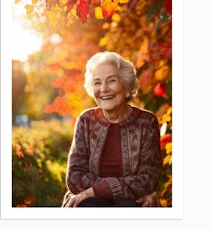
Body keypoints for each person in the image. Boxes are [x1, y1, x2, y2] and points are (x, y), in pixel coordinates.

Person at [62, 51, 162, 207]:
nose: (103, 89)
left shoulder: (146, 122)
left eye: (111, 81)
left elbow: (148, 179)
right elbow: (75, 177)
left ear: (126, 85)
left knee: (128, 208)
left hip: (130, 203)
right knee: (88, 205)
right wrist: (116, 189)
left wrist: (96, 190)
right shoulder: (86, 121)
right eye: (97, 82)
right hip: (90, 201)